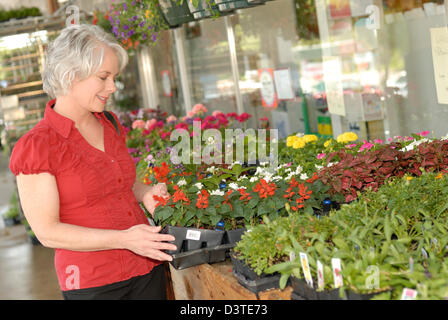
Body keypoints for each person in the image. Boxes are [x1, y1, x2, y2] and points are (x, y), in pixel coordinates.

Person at [9, 24, 176, 300]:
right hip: (94, 282)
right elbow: (48, 233)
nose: (112, 87)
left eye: (114, 77)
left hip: (147, 266)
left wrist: (145, 193)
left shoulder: (109, 123)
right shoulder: (37, 147)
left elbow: (122, 183)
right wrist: (124, 239)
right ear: (70, 75)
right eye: (103, 77)